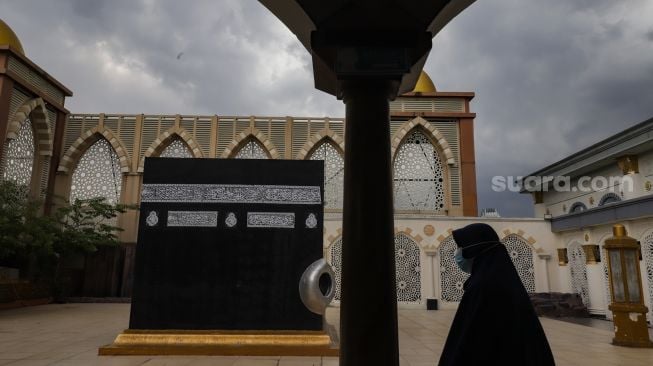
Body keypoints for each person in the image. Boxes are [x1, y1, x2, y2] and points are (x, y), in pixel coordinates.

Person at [438, 223, 555, 366]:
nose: (457, 253)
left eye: (460, 247)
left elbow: (470, 342)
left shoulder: (483, 286)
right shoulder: (501, 280)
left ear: (474, 249)